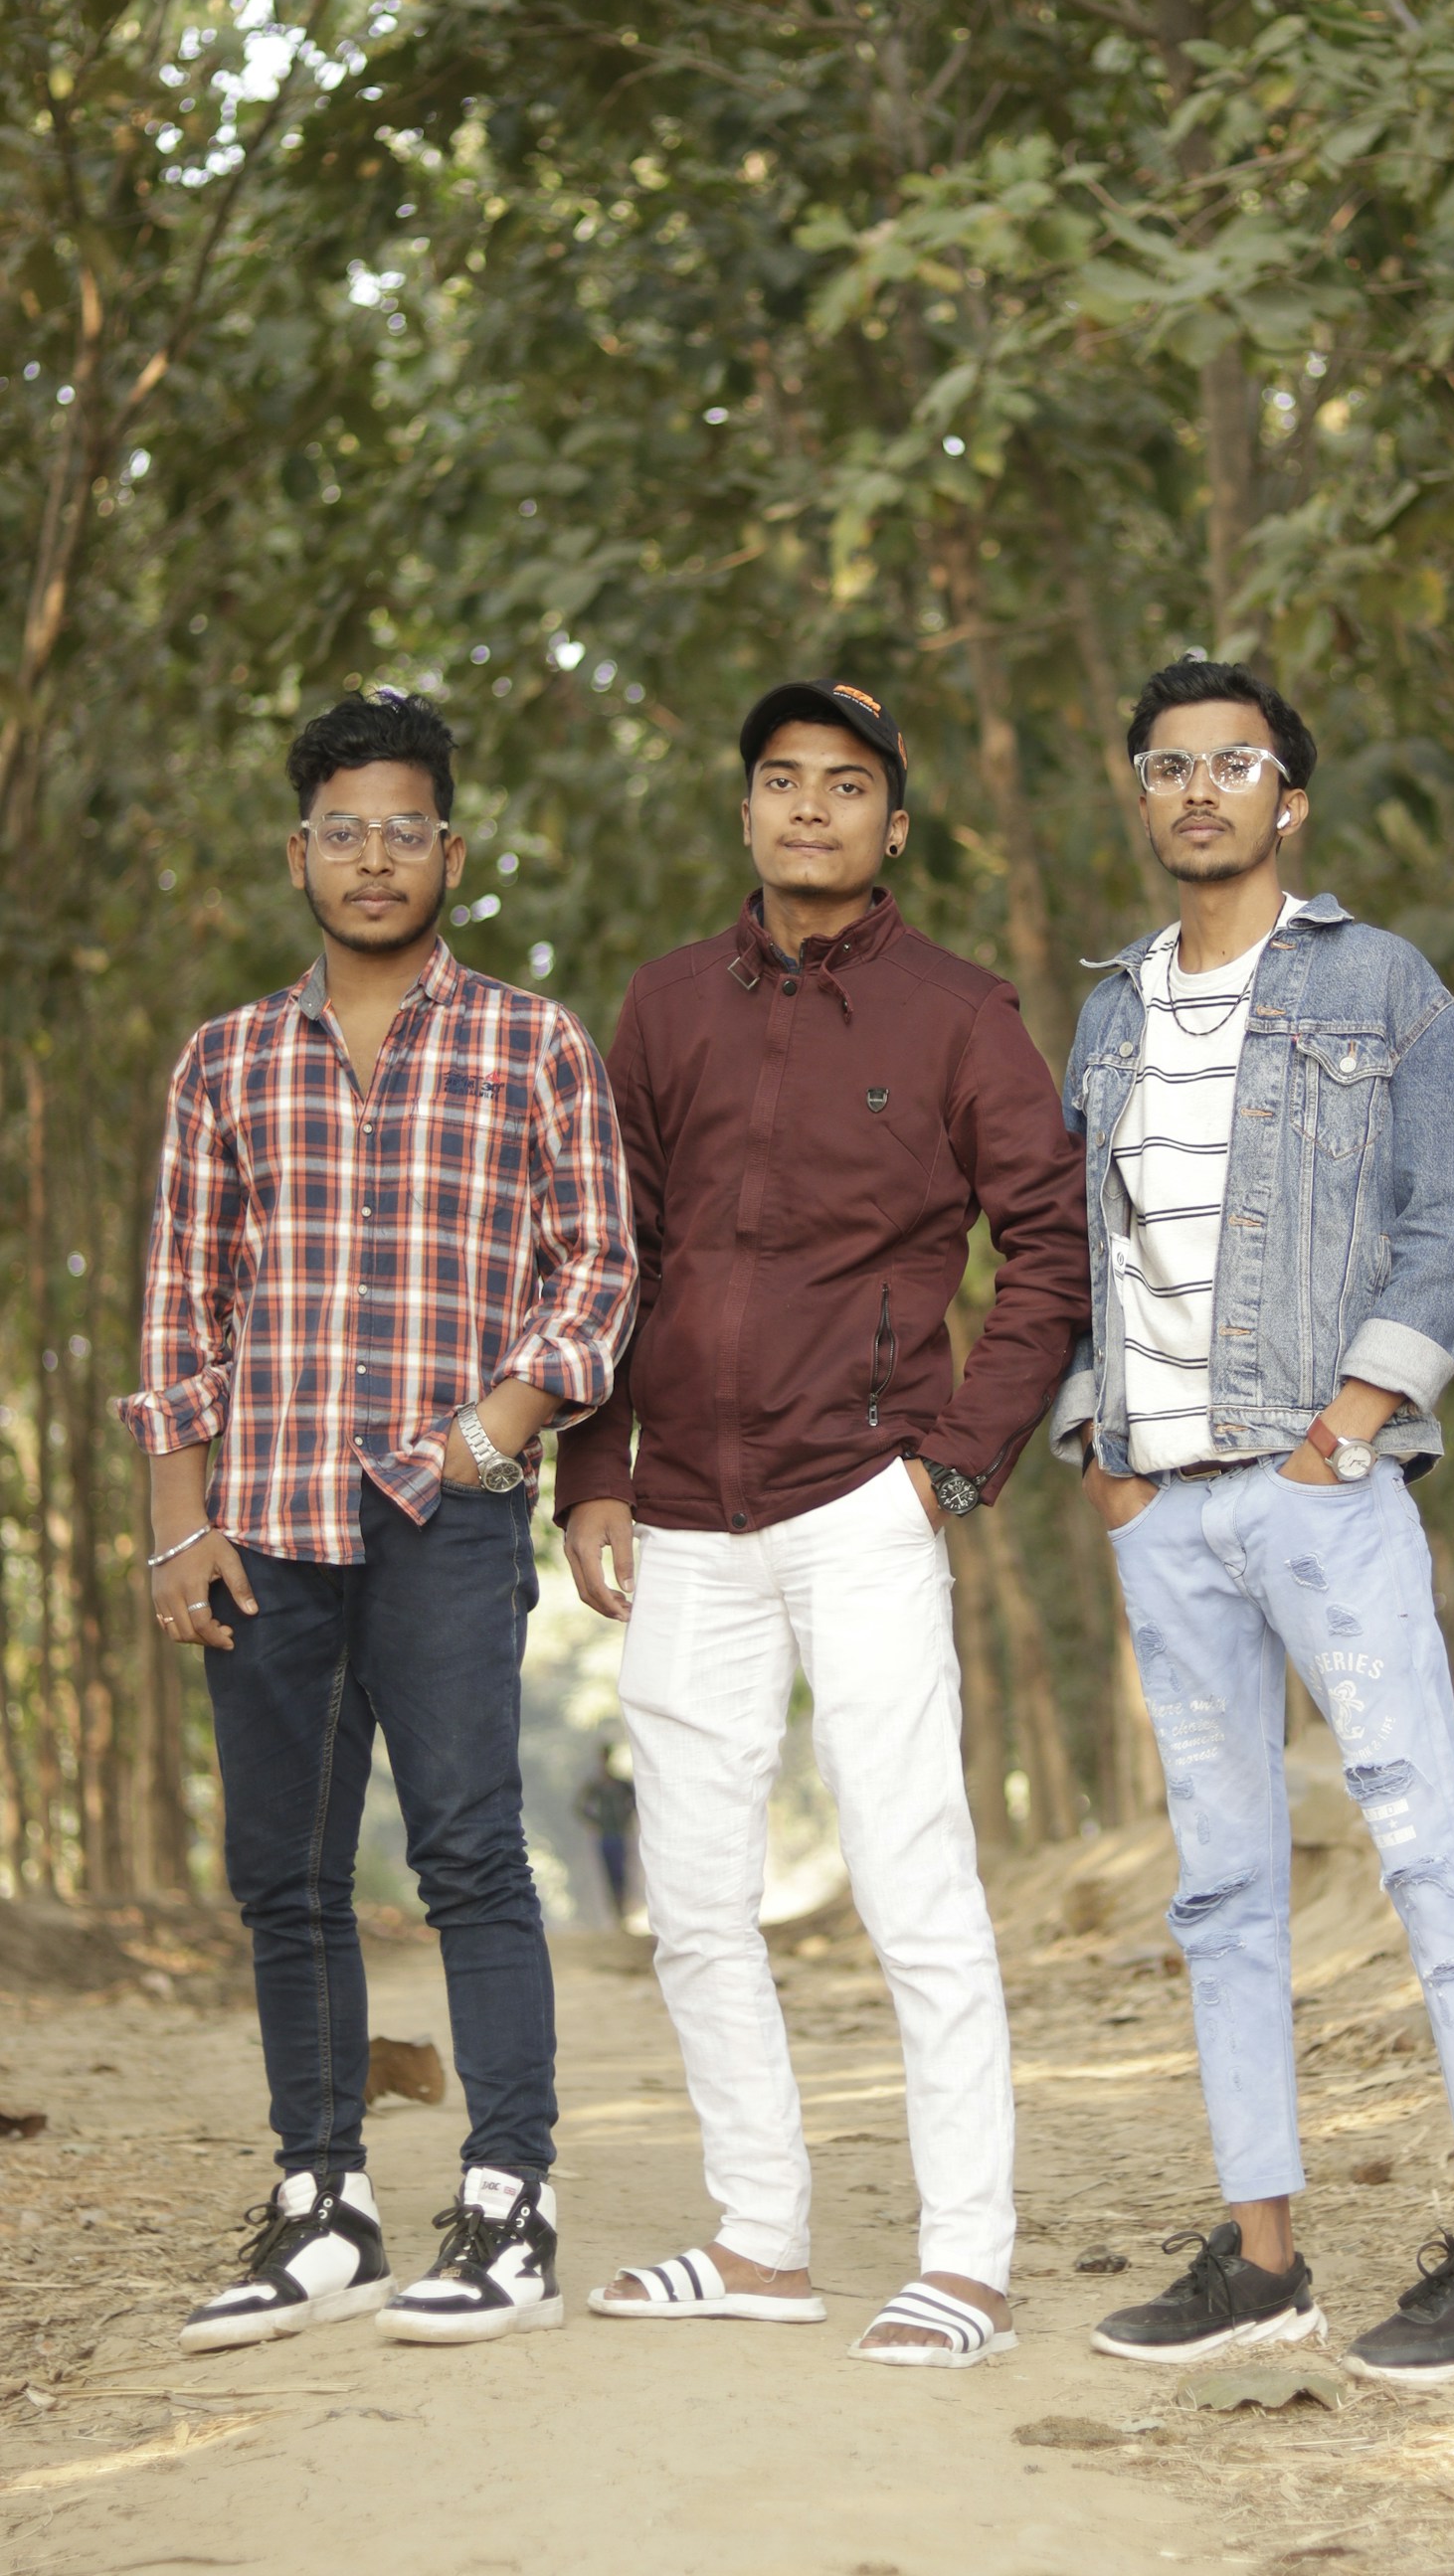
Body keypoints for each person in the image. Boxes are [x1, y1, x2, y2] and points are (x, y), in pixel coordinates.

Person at [1055, 654, 1454, 2389]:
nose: (1199, 789)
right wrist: (1101, 1448)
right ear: (1144, 798)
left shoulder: (1381, 985)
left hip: (1321, 1494)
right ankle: (1262, 2261)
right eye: (1169, 765)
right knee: (1221, 1890)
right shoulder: (1111, 1013)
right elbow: (1071, 1244)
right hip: (1166, 1509)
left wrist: (1351, 1419)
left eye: (1235, 763)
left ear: (1289, 799)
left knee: (1421, 1841)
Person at [559, 677, 1090, 2367]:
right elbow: (612, 1251)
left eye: (846, 785)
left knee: (911, 1875)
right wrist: (593, 1468)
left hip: (862, 1496)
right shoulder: (661, 1007)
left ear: (894, 827)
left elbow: (1050, 1247)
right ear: (746, 812)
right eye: (782, 780)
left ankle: (967, 2260)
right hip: (682, 1518)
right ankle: (761, 2239)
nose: (810, 807)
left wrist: (952, 1463)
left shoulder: (959, 1014)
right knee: (694, 1901)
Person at [118, 690, 637, 2353]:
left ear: (451, 853)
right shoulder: (226, 1059)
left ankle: (509, 2200)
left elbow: (599, 1270)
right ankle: (322, 2202)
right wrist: (176, 1524)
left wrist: (488, 1438)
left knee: (472, 1853)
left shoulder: (532, 1042)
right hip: (263, 1519)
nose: (372, 857)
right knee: (283, 1876)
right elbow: (182, 1306)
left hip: (446, 1521)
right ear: (300, 854)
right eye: (342, 830)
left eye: (403, 829)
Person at [575, 1740, 637, 1923]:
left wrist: (625, 1819)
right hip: (606, 1835)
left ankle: (622, 1909)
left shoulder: (620, 1784)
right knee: (610, 1874)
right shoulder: (596, 1784)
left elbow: (635, 1802)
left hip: (619, 1834)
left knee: (621, 1872)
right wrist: (595, 1823)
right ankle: (617, 1913)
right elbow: (580, 1807)